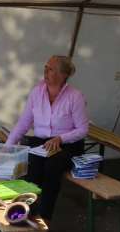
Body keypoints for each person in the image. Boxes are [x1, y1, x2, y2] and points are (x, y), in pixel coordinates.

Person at [6, 55, 88, 222]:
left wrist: (61, 138)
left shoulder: (75, 96)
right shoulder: (37, 92)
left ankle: (44, 219)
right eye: (46, 67)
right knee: (32, 169)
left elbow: (83, 130)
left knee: (52, 168)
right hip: (41, 144)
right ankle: (24, 216)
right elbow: (24, 122)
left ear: (63, 74)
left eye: (50, 69)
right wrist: (8, 146)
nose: (45, 71)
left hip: (68, 145)